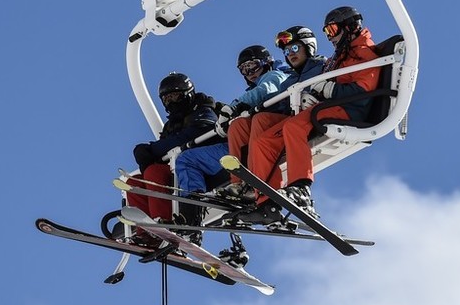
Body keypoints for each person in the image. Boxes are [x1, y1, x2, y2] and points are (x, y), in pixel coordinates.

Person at [235, 6, 381, 226]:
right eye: (327, 33)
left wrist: (325, 91)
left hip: (346, 107)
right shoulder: (340, 55)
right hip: (326, 105)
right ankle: (268, 201)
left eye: (332, 30)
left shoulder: (360, 51)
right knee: (264, 138)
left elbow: (362, 88)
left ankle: (301, 188)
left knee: (293, 127)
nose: (331, 37)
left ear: (349, 27)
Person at [172, 45, 288, 221]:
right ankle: (232, 189)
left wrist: (234, 107)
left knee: (188, 158)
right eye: (243, 69)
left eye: (252, 66)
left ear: (266, 63)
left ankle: (196, 211)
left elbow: (265, 91)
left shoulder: (274, 76)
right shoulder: (254, 91)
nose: (248, 72)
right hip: (248, 140)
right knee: (189, 158)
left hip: (270, 132)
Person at [215, 26, 327, 201]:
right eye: (244, 70)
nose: (290, 53)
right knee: (237, 126)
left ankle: (262, 187)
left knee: (261, 119)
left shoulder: (313, 67)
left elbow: (266, 91)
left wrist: (311, 94)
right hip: (288, 116)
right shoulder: (290, 79)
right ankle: (240, 181)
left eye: (295, 48)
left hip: (307, 117)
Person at [126, 72, 218, 241]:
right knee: (135, 182)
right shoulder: (171, 125)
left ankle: (162, 222)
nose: (171, 102)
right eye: (167, 99)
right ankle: (145, 232)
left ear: (187, 94)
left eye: (175, 96)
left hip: (205, 163)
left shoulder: (203, 109)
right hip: (179, 169)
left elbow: (196, 133)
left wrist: (152, 150)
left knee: (154, 172)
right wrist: (148, 155)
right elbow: (168, 146)